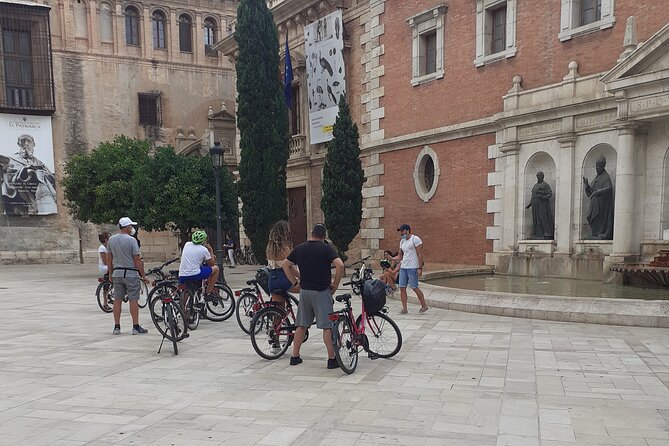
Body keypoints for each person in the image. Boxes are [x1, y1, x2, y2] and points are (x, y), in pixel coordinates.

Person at [282, 223, 344, 368]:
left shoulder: (300, 248)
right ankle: (331, 358)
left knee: (301, 325)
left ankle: (295, 356)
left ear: (312, 233)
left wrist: (295, 282)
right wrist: (335, 284)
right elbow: (340, 265)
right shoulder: (326, 249)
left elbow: (285, 265)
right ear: (324, 236)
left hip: (305, 291)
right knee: (327, 326)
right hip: (321, 291)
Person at [106, 217, 150, 335]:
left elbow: (109, 258)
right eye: (131, 226)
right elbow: (137, 260)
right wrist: (143, 275)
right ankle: (135, 326)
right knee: (133, 300)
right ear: (128, 227)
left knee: (117, 300)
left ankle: (117, 326)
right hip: (130, 273)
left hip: (117, 273)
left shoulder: (111, 240)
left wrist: (110, 273)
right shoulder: (132, 240)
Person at [0, 134, 56, 215]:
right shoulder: (12, 159)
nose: (25, 144)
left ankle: (47, 207)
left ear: (34, 144)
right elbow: (8, 175)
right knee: (31, 172)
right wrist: (25, 170)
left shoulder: (39, 163)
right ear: (18, 144)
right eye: (22, 141)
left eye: (28, 141)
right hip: (20, 186)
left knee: (41, 176)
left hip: (39, 186)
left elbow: (51, 176)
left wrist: (40, 172)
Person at [396, 224, 429, 314]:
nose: (401, 233)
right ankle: (404, 308)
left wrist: (419, 268)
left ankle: (424, 305)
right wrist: (392, 259)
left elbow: (420, 254)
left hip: (413, 267)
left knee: (414, 287)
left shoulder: (415, 239)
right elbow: (400, 255)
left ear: (407, 230)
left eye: (402, 231)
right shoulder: (402, 241)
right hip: (404, 267)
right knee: (402, 287)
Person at [178, 230, 220, 300]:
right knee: (216, 269)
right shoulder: (204, 249)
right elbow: (212, 263)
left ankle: (184, 309)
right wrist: (211, 250)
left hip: (182, 275)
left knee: (186, 290)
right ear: (204, 240)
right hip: (195, 275)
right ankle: (208, 292)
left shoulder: (187, 244)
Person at [266, 220, 300, 305]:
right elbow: (289, 268)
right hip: (282, 279)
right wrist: (301, 276)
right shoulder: (284, 249)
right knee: (305, 289)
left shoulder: (270, 248)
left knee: (278, 310)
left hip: (272, 279)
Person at [582, 155, 614, 240]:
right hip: (595, 202)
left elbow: (609, 188)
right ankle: (595, 233)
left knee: (599, 217)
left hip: (602, 203)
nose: (597, 168)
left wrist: (598, 192)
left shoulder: (605, 176)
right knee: (591, 216)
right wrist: (587, 185)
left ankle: (601, 232)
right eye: (596, 166)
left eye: (599, 167)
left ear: (603, 166)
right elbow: (591, 190)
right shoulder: (597, 177)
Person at [525, 171, 554, 239]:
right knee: (536, 219)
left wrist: (543, 197)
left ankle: (547, 233)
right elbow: (533, 196)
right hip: (535, 204)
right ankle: (538, 233)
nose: (538, 177)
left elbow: (550, 194)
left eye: (539, 175)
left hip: (542, 204)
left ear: (542, 176)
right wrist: (529, 204)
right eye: (537, 176)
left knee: (543, 218)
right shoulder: (535, 185)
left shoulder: (545, 185)